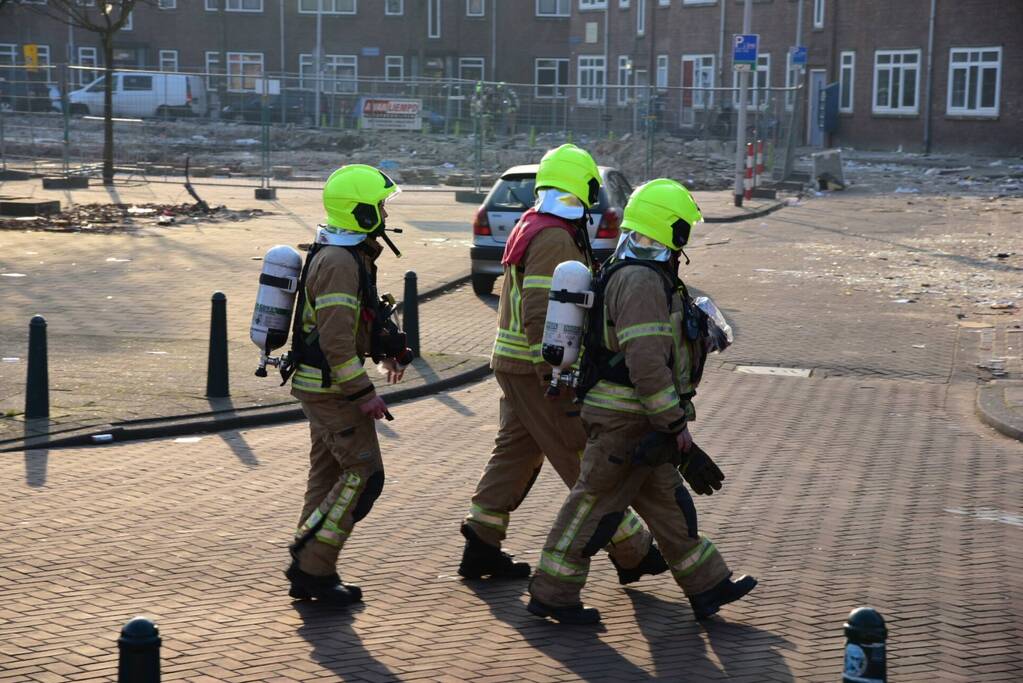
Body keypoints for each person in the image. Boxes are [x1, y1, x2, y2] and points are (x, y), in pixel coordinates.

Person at [527, 178, 757, 624]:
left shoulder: (640, 271)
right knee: (593, 508)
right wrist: (675, 425)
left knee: (670, 504)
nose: (686, 237)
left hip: (639, 420)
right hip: (624, 422)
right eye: (683, 227)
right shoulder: (639, 281)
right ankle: (552, 593)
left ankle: (707, 585)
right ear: (669, 228)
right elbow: (647, 362)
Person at [459, 144, 668, 586]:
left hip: (514, 363)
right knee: (580, 454)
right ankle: (632, 551)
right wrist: (554, 374)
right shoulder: (554, 235)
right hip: (535, 369)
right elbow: (540, 311)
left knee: (515, 452)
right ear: (583, 188)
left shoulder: (534, 223)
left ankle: (481, 542)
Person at [284, 164, 411, 606]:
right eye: (377, 204)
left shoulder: (347, 252)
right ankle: (311, 561)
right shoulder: (339, 261)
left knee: (327, 477)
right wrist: (365, 395)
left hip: (322, 384)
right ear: (359, 211)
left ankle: (310, 571)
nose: (382, 211)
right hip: (331, 389)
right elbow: (337, 342)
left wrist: (389, 348)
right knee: (363, 474)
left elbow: (362, 319)